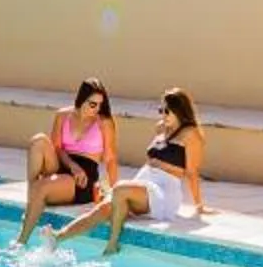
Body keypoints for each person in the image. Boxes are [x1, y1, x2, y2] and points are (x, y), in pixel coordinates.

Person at [54, 90, 211, 256]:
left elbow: (192, 173)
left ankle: (113, 243)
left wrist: (199, 205)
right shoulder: (161, 129)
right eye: (160, 110)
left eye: (167, 111)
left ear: (179, 110)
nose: (162, 115)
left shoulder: (191, 134)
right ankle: (58, 237)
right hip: (144, 183)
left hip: (163, 192)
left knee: (119, 189)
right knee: (104, 208)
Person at [16, 80, 116, 245]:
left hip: (84, 176)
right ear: (81, 99)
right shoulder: (63, 115)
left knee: (43, 187)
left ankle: (21, 241)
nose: (97, 109)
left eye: (100, 104)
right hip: (64, 163)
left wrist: (112, 191)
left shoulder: (104, 122)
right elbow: (57, 148)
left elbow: (111, 159)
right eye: (92, 104)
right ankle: (31, 202)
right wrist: (72, 165)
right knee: (38, 140)